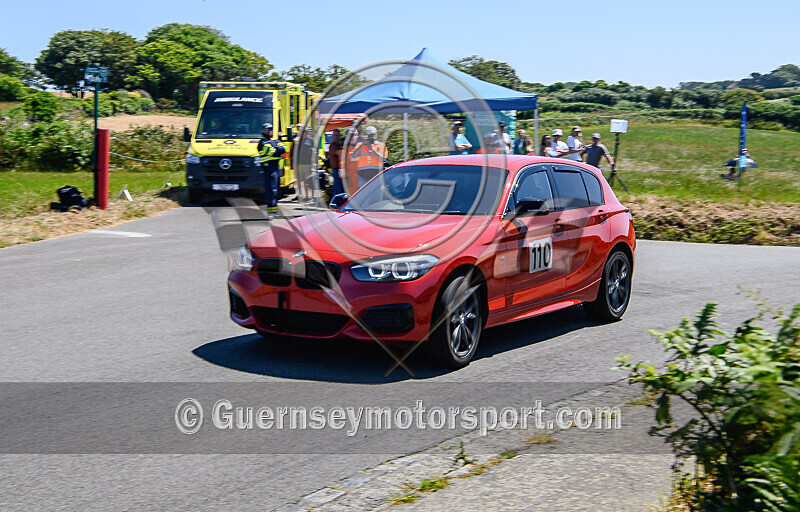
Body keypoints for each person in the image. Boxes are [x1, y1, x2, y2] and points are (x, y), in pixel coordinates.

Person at [258, 123, 286, 218]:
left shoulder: (275, 141)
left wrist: (275, 148)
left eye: (270, 129)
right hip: (268, 167)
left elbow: (283, 149)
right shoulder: (261, 142)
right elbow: (267, 151)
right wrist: (275, 149)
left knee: (276, 190)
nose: (269, 131)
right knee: (270, 189)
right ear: (263, 130)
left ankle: (274, 210)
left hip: (275, 167)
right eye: (267, 129)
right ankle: (271, 212)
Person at [348, 126, 388, 192]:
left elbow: (382, 158)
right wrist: (362, 144)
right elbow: (353, 156)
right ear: (365, 135)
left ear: (376, 135)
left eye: (372, 135)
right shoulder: (360, 144)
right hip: (362, 175)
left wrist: (372, 148)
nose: (371, 137)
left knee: (377, 193)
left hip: (377, 174)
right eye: (368, 135)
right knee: (364, 195)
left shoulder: (381, 145)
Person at [327, 129, 345, 197]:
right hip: (336, 169)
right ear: (332, 136)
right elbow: (338, 152)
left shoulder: (339, 145)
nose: (337, 137)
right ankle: (334, 202)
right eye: (335, 135)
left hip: (341, 169)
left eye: (338, 135)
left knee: (341, 187)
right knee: (337, 188)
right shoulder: (333, 145)